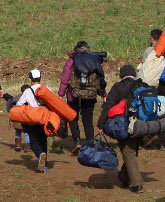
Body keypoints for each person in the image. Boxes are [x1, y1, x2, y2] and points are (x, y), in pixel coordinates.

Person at [97, 64, 146, 193]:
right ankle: (124, 177)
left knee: (128, 153)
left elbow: (108, 106)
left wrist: (100, 124)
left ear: (122, 75)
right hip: (141, 125)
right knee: (132, 152)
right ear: (134, 75)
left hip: (124, 124)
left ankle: (136, 184)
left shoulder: (118, 87)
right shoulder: (141, 86)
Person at [59, 40, 106, 155]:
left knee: (72, 118)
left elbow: (65, 79)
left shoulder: (71, 61)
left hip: (72, 94)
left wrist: (60, 94)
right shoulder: (94, 60)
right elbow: (100, 79)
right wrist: (104, 94)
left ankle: (77, 142)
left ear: (75, 50)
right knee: (87, 120)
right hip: (90, 94)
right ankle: (90, 144)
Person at [17, 70, 49, 172]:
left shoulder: (27, 91)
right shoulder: (46, 89)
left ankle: (40, 155)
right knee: (43, 141)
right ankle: (45, 166)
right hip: (44, 119)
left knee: (34, 142)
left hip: (32, 120)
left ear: (30, 80)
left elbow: (19, 104)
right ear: (40, 78)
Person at [2, 84, 31, 152]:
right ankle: (28, 146)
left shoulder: (16, 97)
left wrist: (9, 111)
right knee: (27, 132)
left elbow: (10, 101)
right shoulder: (30, 98)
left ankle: (18, 145)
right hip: (25, 119)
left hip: (17, 119)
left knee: (18, 131)